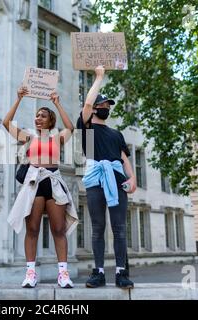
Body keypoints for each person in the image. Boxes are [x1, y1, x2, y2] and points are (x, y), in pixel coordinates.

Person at [4, 87, 79, 289]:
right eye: (37, 115)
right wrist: (18, 99)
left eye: (43, 116)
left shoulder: (56, 138)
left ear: (50, 120)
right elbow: (5, 123)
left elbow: (71, 127)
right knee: (33, 229)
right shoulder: (29, 137)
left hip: (53, 182)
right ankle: (30, 273)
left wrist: (57, 102)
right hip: (34, 182)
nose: (38, 118)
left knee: (58, 229)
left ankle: (63, 274)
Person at [76, 65, 136, 289]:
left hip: (117, 179)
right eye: (101, 104)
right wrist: (99, 77)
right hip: (95, 181)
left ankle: (121, 272)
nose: (104, 107)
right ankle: (98, 272)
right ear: (93, 110)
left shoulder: (115, 133)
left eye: (107, 105)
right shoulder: (87, 128)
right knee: (98, 227)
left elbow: (124, 158)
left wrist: (132, 179)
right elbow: (88, 103)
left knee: (119, 227)